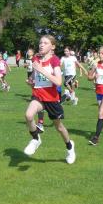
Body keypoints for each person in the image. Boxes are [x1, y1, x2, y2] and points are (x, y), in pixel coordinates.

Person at [22, 35, 76, 164]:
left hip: (52, 99)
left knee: (59, 127)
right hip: (38, 96)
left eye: (45, 43)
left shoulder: (54, 60)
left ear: (52, 47)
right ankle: (36, 139)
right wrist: (31, 81)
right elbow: (35, 78)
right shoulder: (36, 59)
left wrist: (41, 70)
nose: (41, 45)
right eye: (40, 42)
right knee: (29, 115)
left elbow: (58, 81)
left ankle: (70, 147)